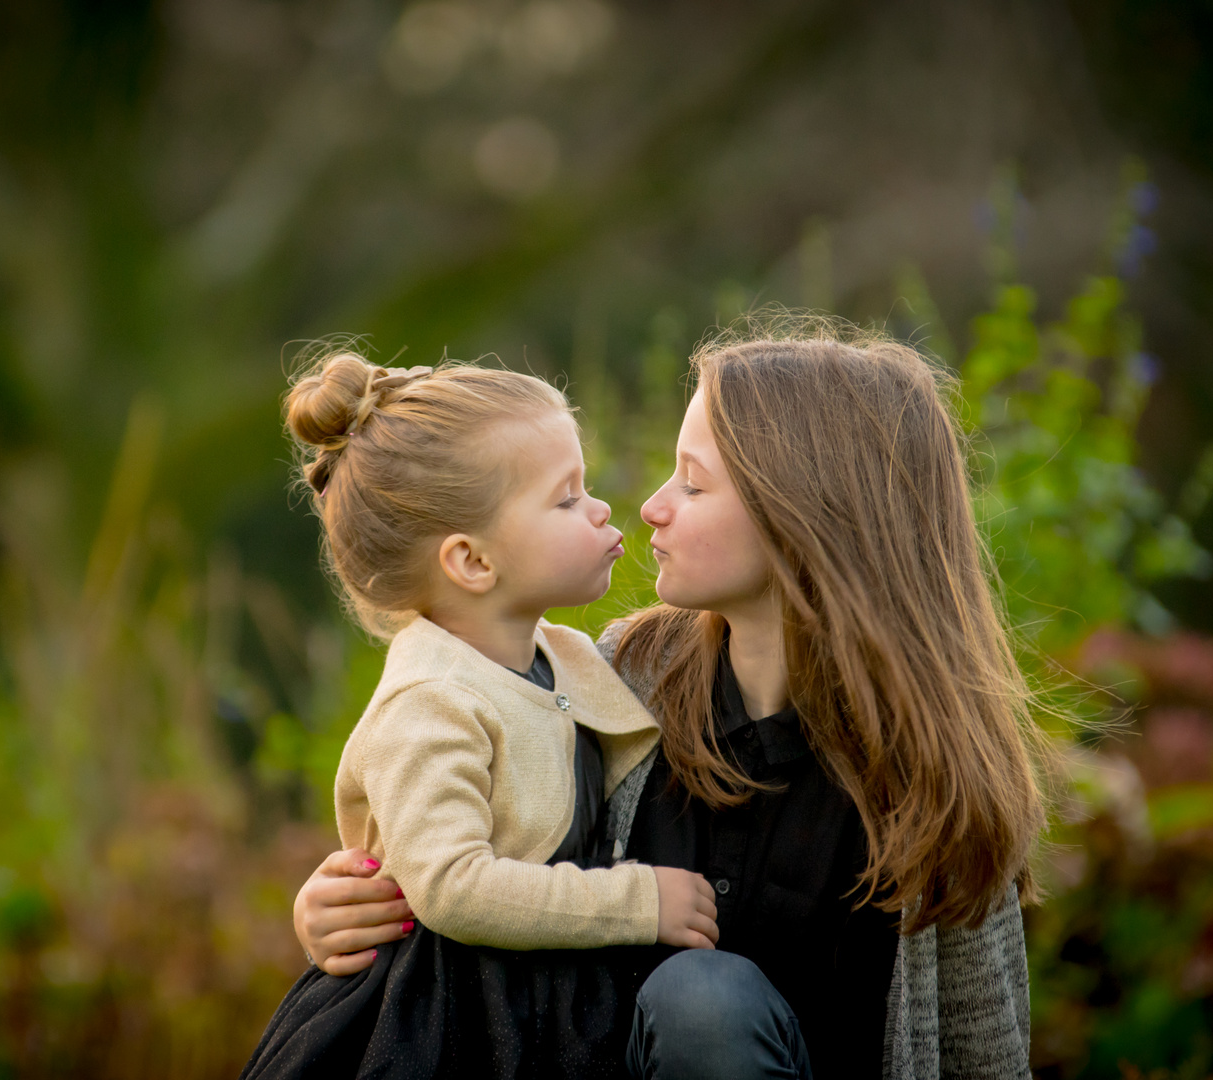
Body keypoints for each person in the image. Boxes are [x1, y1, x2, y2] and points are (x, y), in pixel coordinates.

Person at [293, 321, 1049, 1080]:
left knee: (705, 1006)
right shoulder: (614, 679)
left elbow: (986, 1051)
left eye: (692, 482)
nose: (650, 506)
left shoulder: (940, 770)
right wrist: (347, 904)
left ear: (803, 515)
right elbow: (474, 847)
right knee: (703, 1004)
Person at [240, 351, 719, 1080]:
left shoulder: (570, 658)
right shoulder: (429, 703)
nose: (601, 510)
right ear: (470, 562)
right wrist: (638, 900)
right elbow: (455, 887)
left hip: (541, 1009)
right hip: (442, 1025)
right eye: (566, 499)